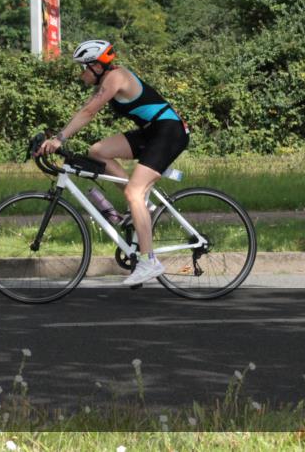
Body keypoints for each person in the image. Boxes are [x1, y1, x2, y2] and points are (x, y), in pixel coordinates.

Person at [34, 39, 189, 286]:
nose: (82, 73)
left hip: (169, 132)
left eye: (84, 67)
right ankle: (142, 207)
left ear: (97, 65)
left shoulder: (116, 78)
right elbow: (88, 110)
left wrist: (59, 138)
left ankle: (149, 262)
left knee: (135, 192)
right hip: (152, 131)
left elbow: (88, 112)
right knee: (98, 151)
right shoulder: (109, 79)